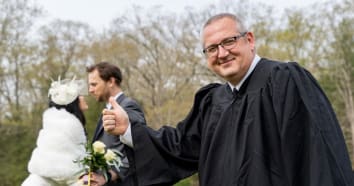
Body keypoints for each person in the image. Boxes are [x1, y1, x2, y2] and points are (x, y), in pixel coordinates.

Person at [101, 13, 354, 186]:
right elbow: (179, 148)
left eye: (229, 41)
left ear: (250, 40)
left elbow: (317, 158)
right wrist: (130, 129)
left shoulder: (284, 80)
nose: (222, 53)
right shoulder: (212, 102)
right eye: (212, 48)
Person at [84, 62, 146, 186]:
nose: (90, 90)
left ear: (111, 81)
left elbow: (140, 144)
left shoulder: (128, 106)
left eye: (94, 84)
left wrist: (109, 175)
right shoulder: (107, 109)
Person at [22, 77, 88, 186]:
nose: (84, 97)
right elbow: (70, 171)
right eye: (80, 95)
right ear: (74, 101)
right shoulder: (69, 125)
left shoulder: (56, 123)